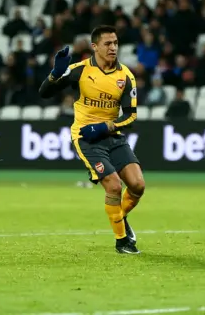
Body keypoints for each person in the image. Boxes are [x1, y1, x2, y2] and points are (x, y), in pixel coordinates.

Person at [38, 25, 144, 255]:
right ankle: (122, 241)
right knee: (114, 186)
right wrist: (55, 74)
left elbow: (131, 115)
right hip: (85, 138)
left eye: (115, 43)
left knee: (137, 186)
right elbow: (44, 93)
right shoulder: (79, 70)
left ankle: (120, 217)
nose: (113, 47)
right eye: (107, 43)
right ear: (95, 47)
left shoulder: (125, 76)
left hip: (112, 135)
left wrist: (106, 126)